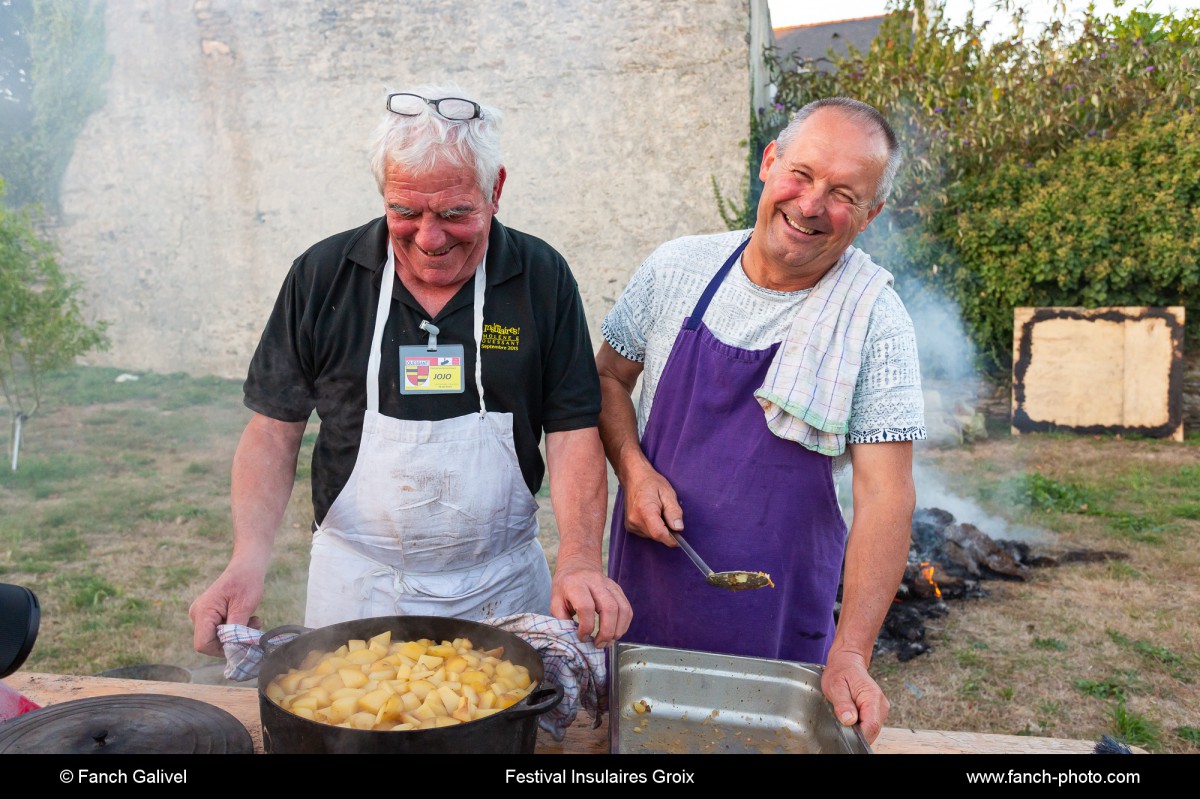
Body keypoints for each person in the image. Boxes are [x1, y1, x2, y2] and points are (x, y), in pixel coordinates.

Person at [191, 86, 631, 658]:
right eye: (405, 212)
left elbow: (573, 430)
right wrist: (246, 560)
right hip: (358, 588)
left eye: (455, 213)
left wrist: (577, 559)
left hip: (500, 589)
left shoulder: (539, 278)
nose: (429, 238)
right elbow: (274, 429)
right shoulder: (323, 276)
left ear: (495, 190)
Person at [596, 97, 924, 743]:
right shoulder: (675, 269)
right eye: (801, 174)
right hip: (651, 582)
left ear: (870, 214)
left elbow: (886, 497)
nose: (809, 205)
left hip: (779, 610)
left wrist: (852, 650)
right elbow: (607, 377)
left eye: (842, 194)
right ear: (770, 163)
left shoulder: (876, 322)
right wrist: (633, 471)